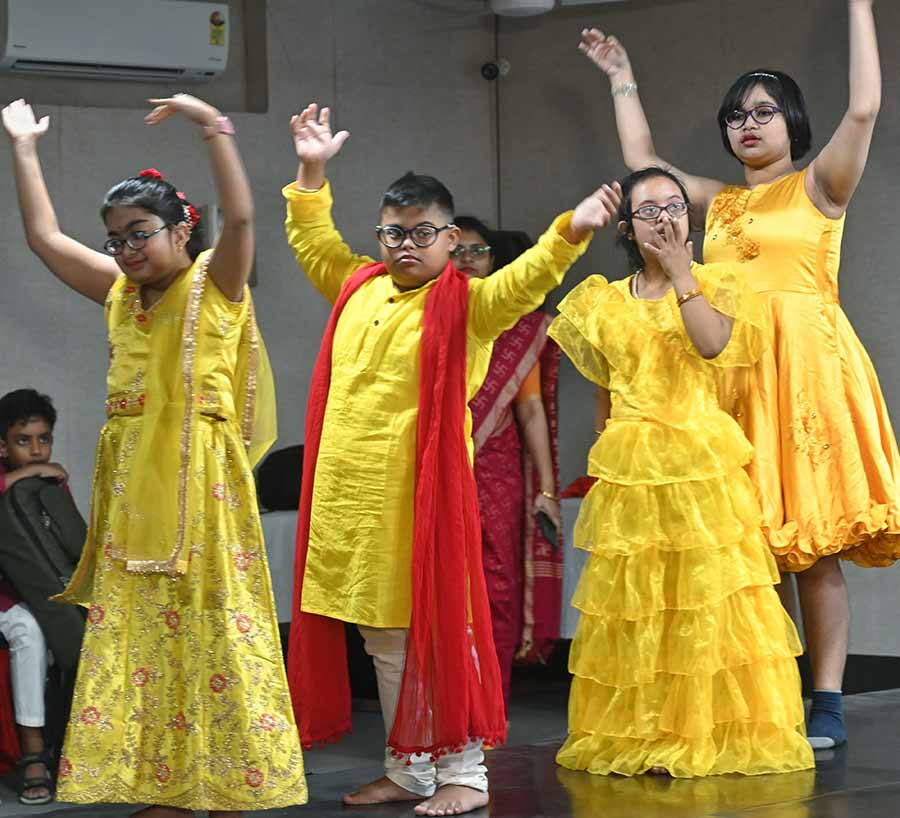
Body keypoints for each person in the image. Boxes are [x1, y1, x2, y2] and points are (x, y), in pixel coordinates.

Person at [283, 103, 617, 816]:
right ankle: (408, 770)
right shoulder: (358, 287)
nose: (408, 244)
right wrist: (312, 169)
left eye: (425, 232)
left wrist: (572, 231)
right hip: (353, 502)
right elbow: (312, 240)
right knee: (383, 638)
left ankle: (467, 773)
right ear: (381, 235)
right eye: (395, 232)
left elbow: (525, 282)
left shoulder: (469, 304)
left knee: (445, 631)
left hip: (426, 501)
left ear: (451, 236)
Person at [581, 0, 895, 748]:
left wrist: (857, 6)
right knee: (753, 546)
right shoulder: (716, 203)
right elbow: (644, 166)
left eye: (763, 112)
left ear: (793, 123)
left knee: (811, 545)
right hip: (730, 375)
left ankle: (827, 701)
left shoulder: (822, 185)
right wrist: (622, 77)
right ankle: (773, 691)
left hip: (808, 369)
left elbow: (866, 104)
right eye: (735, 116)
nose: (747, 124)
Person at [2, 95, 306, 817]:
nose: (126, 250)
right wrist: (22, 149)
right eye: (115, 240)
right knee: (148, 638)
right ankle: (170, 786)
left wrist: (213, 128)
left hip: (202, 483)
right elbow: (45, 238)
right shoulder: (118, 295)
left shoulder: (214, 286)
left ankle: (233, 784)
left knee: (212, 627)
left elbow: (242, 219)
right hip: (135, 491)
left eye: (139, 234)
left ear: (181, 229)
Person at [550, 166, 814, 777]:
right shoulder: (602, 299)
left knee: (704, 603)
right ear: (626, 228)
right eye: (649, 210)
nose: (664, 217)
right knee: (639, 606)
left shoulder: (716, 281)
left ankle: (706, 728)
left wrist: (679, 274)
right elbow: (604, 387)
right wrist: (609, 451)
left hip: (699, 463)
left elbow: (713, 346)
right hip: (633, 466)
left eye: (674, 205)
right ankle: (641, 730)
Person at [454, 216, 563, 713]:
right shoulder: (424, 317)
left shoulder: (517, 327)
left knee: (496, 581)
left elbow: (531, 408)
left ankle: (489, 702)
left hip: (496, 470)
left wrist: (546, 489)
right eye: (458, 252)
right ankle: (449, 707)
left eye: (478, 251)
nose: (468, 262)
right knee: (443, 586)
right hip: (439, 466)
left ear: (495, 260)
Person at [0, 388, 66, 805]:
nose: (37, 450)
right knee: (28, 629)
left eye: (44, 439)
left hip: (37, 593)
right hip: (8, 601)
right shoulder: (18, 479)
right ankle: (33, 750)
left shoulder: (51, 482)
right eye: (24, 441)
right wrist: (17, 478)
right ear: (2, 445)